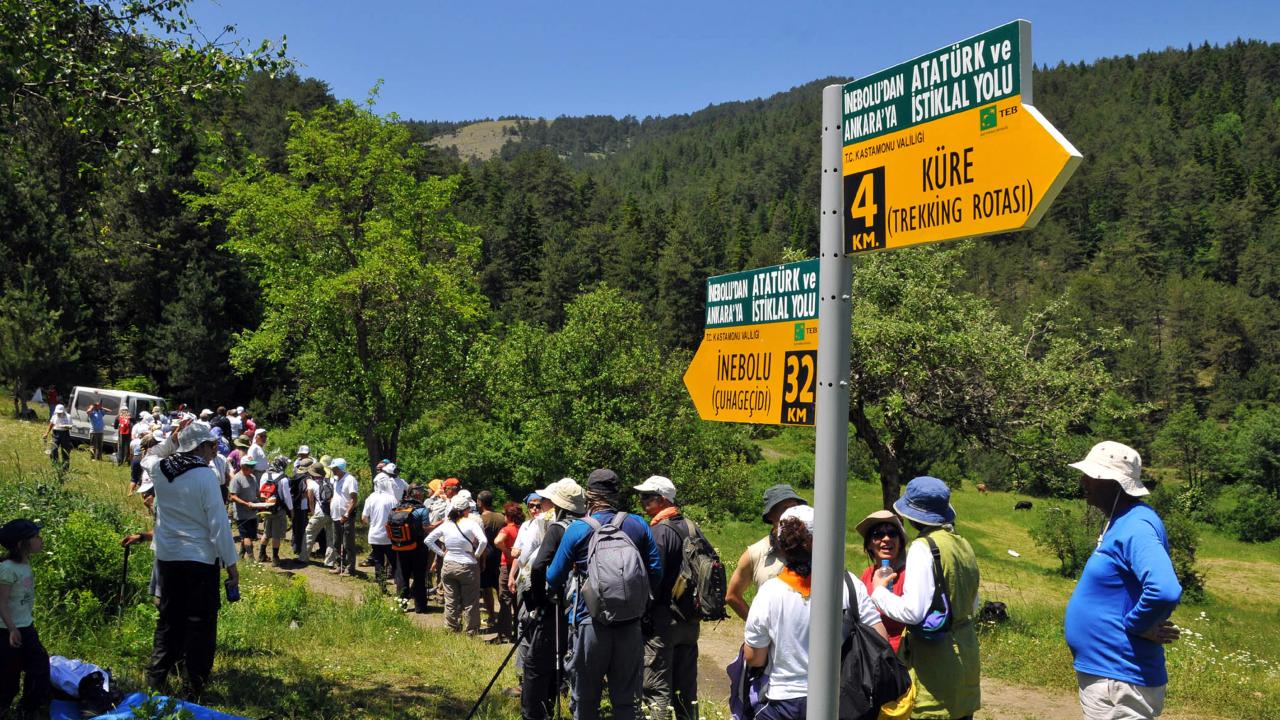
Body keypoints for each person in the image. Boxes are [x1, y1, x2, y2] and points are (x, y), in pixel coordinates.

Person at [1065, 442, 1182, 720]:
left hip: (1119, 680)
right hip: (1111, 676)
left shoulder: (1136, 525)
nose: (1084, 481)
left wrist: (1137, 624)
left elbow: (1165, 589)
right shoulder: (1121, 521)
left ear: (1115, 483)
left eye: (1093, 475)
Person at [743, 505, 887, 720]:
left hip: (784, 702)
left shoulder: (768, 593)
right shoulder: (848, 585)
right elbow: (880, 638)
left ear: (782, 545)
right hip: (839, 698)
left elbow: (755, 658)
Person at [547, 469, 664, 720]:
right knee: (626, 701)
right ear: (616, 495)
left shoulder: (578, 529)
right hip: (630, 623)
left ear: (589, 496)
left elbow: (553, 576)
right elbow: (655, 571)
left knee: (586, 699)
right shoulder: (637, 524)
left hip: (590, 621)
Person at [871, 476, 981, 720]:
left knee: (932, 711)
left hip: (937, 659)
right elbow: (973, 604)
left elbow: (913, 612)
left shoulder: (924, 547)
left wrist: (878, 591)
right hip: (966, 651)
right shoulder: (963, 544)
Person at [145, 420, 239, 697]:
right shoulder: (204, 476)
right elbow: (219, 524)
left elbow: (149, 456)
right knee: (201, 623)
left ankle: (156, 679)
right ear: (200, 447)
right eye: (211, 446)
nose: (214, 451)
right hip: (199, 557)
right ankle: (193, 684)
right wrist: (231, 565)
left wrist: (171, 441)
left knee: (169, 620)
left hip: (168, 557)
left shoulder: (161, 469)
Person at [634, 475, 703, 720]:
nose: (641, 501)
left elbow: (652, 580)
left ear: (663, 499)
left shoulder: (659, 532)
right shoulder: (692, 527)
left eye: (647, 497)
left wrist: (643, 613)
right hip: (690, 621)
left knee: (655, 687)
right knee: (686, 691)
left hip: (663, 623)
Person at [520, 478, 586, 720]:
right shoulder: (589, 525)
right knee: (562, 656)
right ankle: (550, 704)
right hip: (582, 604)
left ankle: (534, 714)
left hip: (556, 602)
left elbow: (539, 566)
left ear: (559, 505)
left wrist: (538, 600)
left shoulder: (558, 529)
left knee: (536, 662)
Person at [726, 484, 807, 620]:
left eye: (794, 507)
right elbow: (732, 596)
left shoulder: (814, 549)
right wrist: (757, 625)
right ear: (770, 515)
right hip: (772, 633)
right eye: (785, 508)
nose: (792, 513)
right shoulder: (755, 553)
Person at [0, 519, 50, 718]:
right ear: (22, 544)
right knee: (9, 673)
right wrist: (12, 628)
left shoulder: (24, 563)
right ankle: (4, 707)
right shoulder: (7, 569)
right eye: (36, 537)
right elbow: (1, 602)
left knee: (39, 664)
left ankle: (29, 706)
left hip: (26, 626)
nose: (41, 540)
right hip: (7, 630)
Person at [426, 494, 488, 633]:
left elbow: (428, 540)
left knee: (450, 599)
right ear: (466, 510)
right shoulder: (471, 524)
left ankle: (451, 627)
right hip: (468, 565)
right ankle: (471, 630)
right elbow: (483, 541)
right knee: (470, 600)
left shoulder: (447, 524)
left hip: (449, 564)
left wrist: (442, 553)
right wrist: (477, 554)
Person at [856, 509, 909, 651]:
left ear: (900, 542)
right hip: (871, 652)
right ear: (869, 544)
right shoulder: (867, 574)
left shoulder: (908, 575)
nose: (886, 538)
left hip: (901, 654)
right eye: (878, 534)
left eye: (892, 534)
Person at [494, 500, 524, 641]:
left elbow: (497, 541)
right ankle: (518, 631)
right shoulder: (523, 528)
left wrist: (505, 550)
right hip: (520, 566)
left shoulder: (506, 529)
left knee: (505, 599)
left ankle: (504, 633)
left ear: (509, 516)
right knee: (518, 600)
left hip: (507, 566)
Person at [361, 475, 400, 587]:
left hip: (374, 535)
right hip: (389, 535)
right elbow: (397, 517)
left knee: (378, 561)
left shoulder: (370, 498)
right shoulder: (392, 499)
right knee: (394, 561)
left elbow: (364, 518)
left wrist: (372, 524)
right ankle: (400, 585)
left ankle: (381, 587)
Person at [477, 490, 505, 630]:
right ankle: (505, 616)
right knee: (499, 587)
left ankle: (492, 617)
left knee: (487, 588)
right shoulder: (501, 517)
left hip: (486, 557)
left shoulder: (480, 519)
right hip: (500, 555)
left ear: (480, 502)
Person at [228, 457, 264, 560]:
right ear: (243, 466)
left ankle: (240, 556)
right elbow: (233, 496)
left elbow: (257, 493)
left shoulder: (253, 477)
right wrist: (246, 504)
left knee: (250, 536)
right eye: (251, 466)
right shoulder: (237, 479)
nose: (253, 468)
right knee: (246, 536)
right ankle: (252, 560)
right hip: (242, 513)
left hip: (253, 512)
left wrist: (265, 500)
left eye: (253, 466)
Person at [329, 459, 359, 576]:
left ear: (340, 468)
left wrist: (346, 514)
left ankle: (349, 568)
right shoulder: (336, 480)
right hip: (335, 515)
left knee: (348, 543)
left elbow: (354, 499)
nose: (332, 470)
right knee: (336, 542)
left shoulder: (350, 480)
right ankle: (339, 565)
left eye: (334, 468)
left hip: (346, 516)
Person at [304, 462, 337, 568]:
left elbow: (311, 501)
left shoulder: (312, 484)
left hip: (320, 512)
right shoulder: (330, 481)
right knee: (331, 538)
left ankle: (303, 558)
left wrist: (313, 513)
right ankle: (329, 562)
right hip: (332, 513)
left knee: (309, 534)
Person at [257, 458, 289, 566]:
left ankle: (261, 555)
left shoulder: (264, 475)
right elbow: (287, 497)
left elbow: (261, 492)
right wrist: (291, 510)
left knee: (266, 533)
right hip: (278, 510)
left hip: (267, 508)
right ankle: (275, 558)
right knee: (276, 535)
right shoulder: (283, 478)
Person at [43, 404, 74, 469]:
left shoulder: (68, 416)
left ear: (63, 411)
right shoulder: (54, 416)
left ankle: (65, 468)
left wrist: (63, 426)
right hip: (55, 434)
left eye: (60, 412)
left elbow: (70, 427)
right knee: (53, 450)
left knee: (65, 452)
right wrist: (46, 433)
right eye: (57, 412)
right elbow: (51, 424)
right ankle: (55, 466)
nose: (59, 414)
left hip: (65, 434)